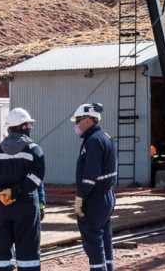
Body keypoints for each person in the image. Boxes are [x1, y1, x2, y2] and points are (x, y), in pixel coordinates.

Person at [0, 108, 46, 271]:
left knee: (1, 252)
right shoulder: (34, 149)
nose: (30, 128)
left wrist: (2, 195)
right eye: (29, 125)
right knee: (28, 254)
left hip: (2, 207)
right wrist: (16, 192)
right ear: (24, 127)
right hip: (26, 207)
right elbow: (36, 179)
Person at [71, 103, 117, 271]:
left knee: (93, 240)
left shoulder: (93, 141)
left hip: (95, 198)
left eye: (78, 120)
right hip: (107, 196)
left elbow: (90, 175)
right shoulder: (104, 137)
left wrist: (80, 197)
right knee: (104, 237)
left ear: (89, 120)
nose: (76, 124)